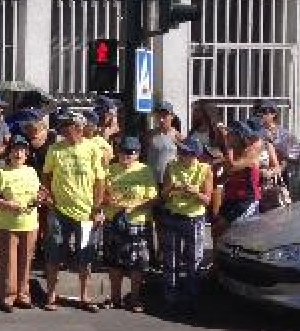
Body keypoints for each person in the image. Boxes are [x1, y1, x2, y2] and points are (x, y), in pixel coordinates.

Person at [41, 111, 106, 312]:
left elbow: (100, 181)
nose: (63, 130)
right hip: (59, 211)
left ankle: (84, 295)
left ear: (79, 127)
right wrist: (49, 197)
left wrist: (97, 207)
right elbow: (46, 175)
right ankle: (51, 294)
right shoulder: (55, 149)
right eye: (63, 126)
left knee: (85, 256)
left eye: (67, 126)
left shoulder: (93, 149)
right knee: (54, 252)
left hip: (86, 212)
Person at [101, 136, 158, 313]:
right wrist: (109, 201)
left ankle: (135, 299)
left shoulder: (145, 170)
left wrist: (133, 205)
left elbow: (153, 198)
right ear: (117, 152)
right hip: (114, 219)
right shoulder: (109, 170)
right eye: (123, 151)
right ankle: (115, 298)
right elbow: (101, 194)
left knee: (137, 263)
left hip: (137, 221)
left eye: (131, 152)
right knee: (113, 261)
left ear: (138, 154)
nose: (127, 155)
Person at [0, 135, 43, 313]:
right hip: (6, 224)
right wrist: (8, 205)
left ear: (26, 153)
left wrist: (38, 199)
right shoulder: (1, 172)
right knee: (8, 263)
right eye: (15, 150)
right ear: (9, 153)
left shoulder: (31, 171)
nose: (18, 153)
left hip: (29, 223)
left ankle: (23, 295)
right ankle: (7, 297)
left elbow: (38, 193)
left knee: (25, 262)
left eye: (22, 150)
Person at [159, 138, 213, 314]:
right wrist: (171, 188)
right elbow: (164, 195)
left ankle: (190, 299)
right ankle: (170, 298)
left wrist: (195, 192)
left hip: (194, 219)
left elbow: (207, 200)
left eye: (185, 152)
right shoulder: (171, 166)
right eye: (180, 151)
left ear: (194, 155)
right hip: (173, 216)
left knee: (193, 262)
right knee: (170, 260)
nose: (181, 155)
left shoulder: (204, 169)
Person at [215, 121, 263, 238]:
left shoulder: (250, 152)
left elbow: (232, 167)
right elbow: (224, 177)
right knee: (217, 229)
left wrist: (226, 145)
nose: (227, 136)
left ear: (239, 136)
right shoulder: (232, 152)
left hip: (246, 200)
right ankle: (218, 256)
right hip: (230, 198)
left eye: (231, 133)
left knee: (239, 233)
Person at [145, 102, 181, 185]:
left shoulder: (178, 137)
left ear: (172, 116)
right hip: (151, 180)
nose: (161, 119)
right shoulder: (149, 135)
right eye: (159, 116)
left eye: (164, 116)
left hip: (169, 181)